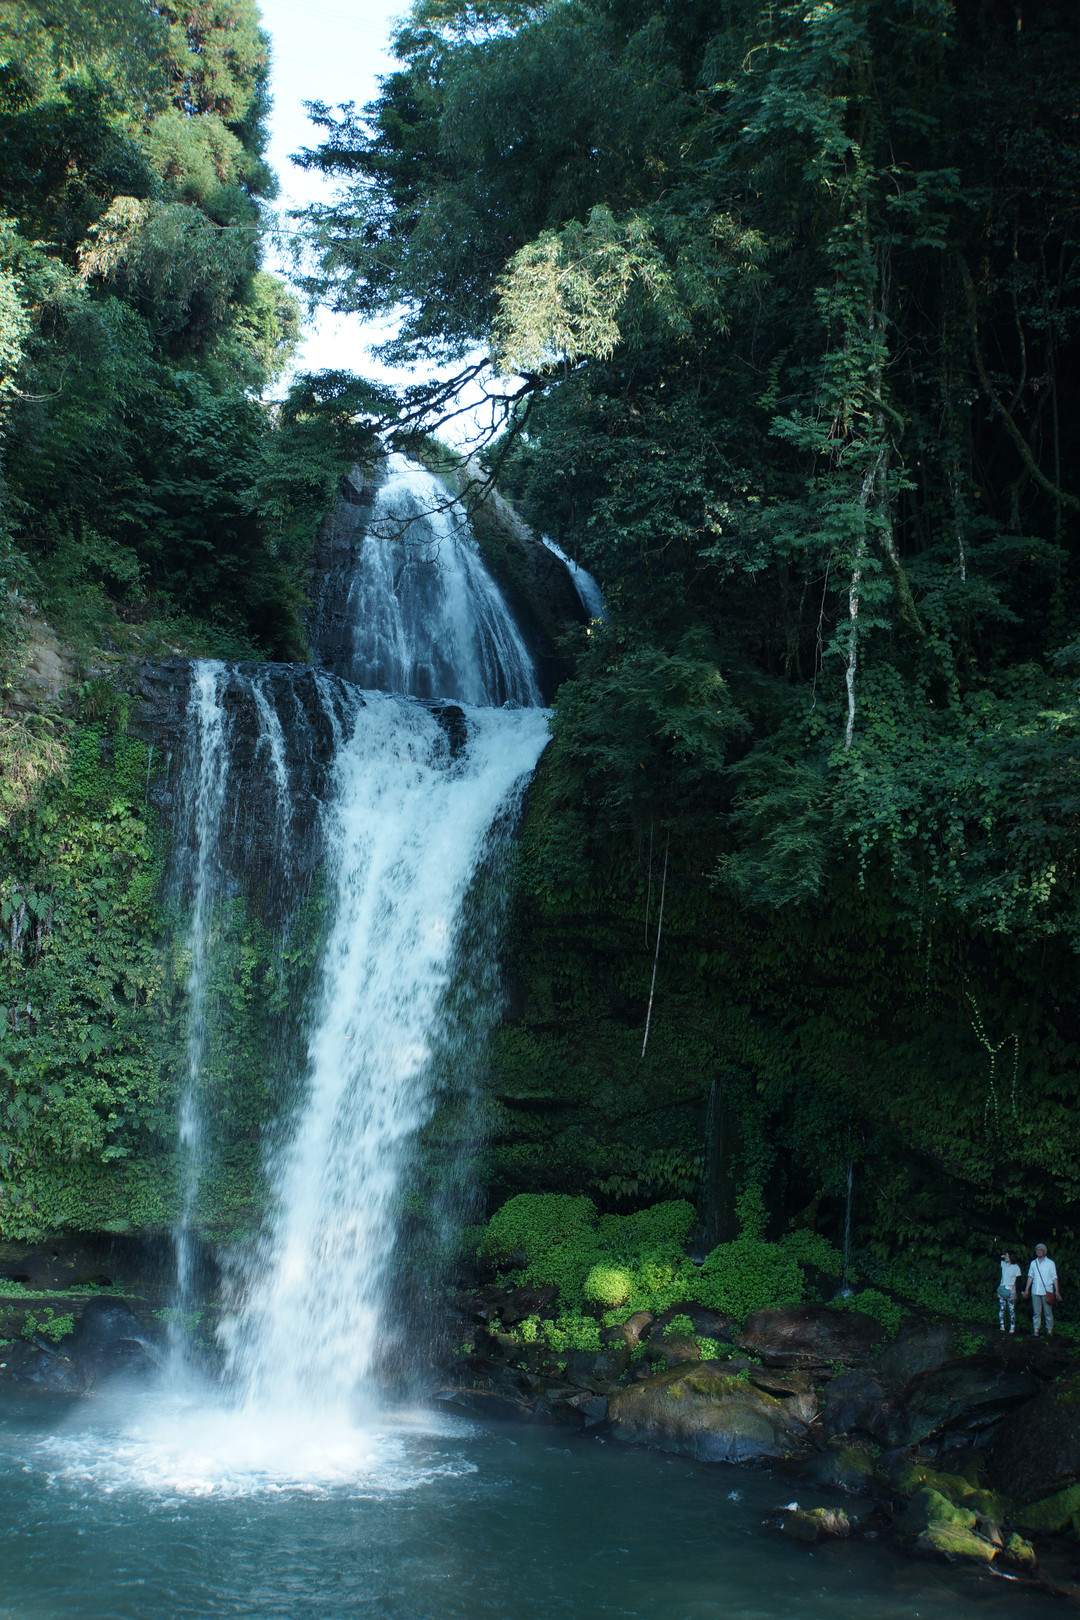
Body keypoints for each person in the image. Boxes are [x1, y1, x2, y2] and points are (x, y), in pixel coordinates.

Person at [1022, 1243, 1061, 1336]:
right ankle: (1036, 1330)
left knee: (1048, 1312)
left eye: (1040, 1250)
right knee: (1036, 1312)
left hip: (1047, 1291)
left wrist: (1057, 1291)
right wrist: (1027, 1289)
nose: (1038, 1251)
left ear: (1044, 1251)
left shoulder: (1050, 1263)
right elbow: (1030, 1277)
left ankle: (1049, 1330)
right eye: (1037, 1250)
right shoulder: (1033, 1263)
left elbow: (1054, 1277)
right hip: (1035, 1290)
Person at [997, 1249, 1021, 1333]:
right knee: (1002, 1308)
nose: (1006, 1257)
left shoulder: (1016, 1267)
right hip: (1002, 1289)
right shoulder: (1003, 1264)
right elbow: (995, 1258)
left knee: (1011, 1310)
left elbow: (1019, 1280)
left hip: (1011, 1290)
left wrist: (1021, 1290)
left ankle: (1012, 1327)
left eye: (1007, 1256)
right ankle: (1002, 1325)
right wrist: (1003, 1256)